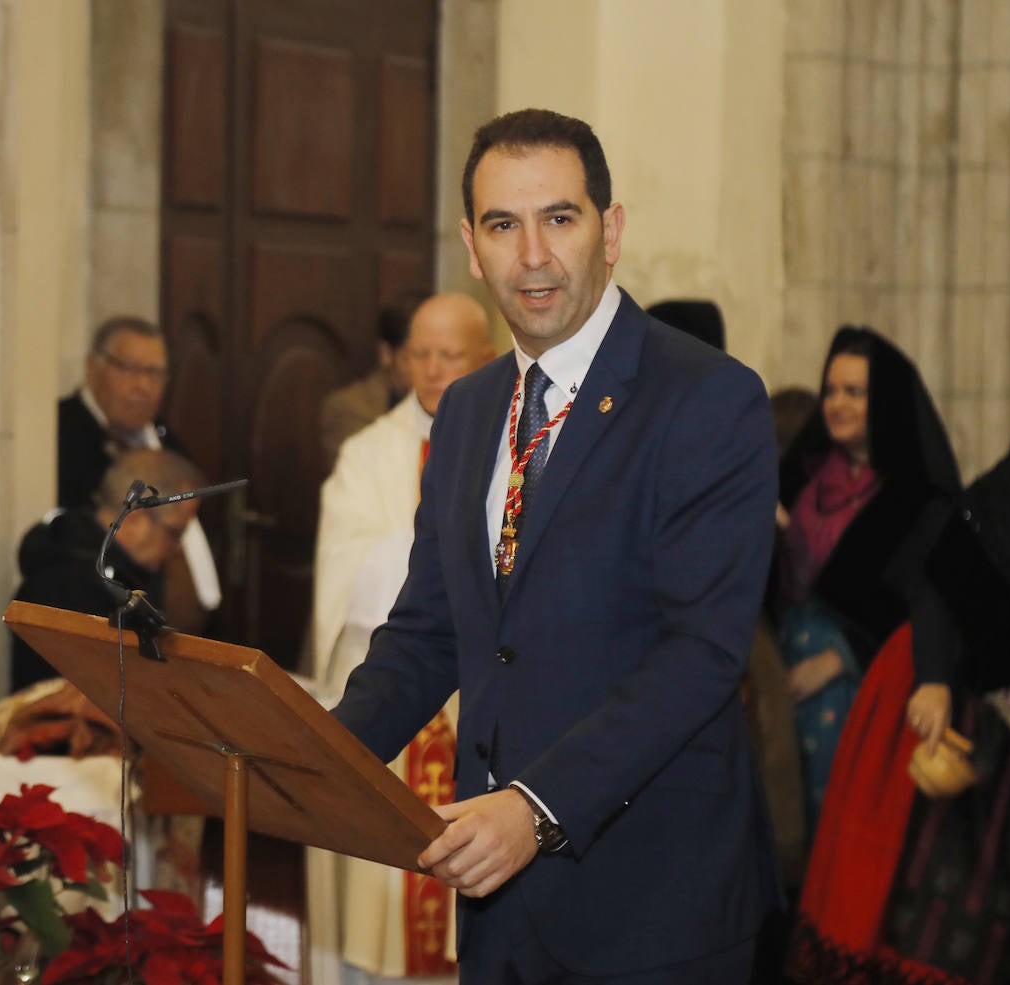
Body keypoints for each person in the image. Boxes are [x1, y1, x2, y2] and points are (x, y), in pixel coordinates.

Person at [330, 108, 779, 982]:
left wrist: (534, 809)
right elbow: (428, 630)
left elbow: (702, 655)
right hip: (500, 905)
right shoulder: (464, 412)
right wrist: (318, 756)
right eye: (504, 224)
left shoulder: (709, 398)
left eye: (559, 218)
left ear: (610, 231)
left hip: (657, 905)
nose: (532, 254)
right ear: (471, 243)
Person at [789, 348, 1010, 983]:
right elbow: (935, 579)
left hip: (1007, 726)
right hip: (938, 700)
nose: (839, 404)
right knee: (919, 900)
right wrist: (937, 679)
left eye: (855, 391)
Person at [311, 292, 492, 985]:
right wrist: (444, 558)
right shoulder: (367, 453)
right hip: (397, 687)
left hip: (472, 698)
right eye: (421, 353)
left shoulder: (512, 442)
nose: (433, 368)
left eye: (450, 354)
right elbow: (342, 570)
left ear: (484, 356)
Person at [770, 327, 960, 838]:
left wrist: (836, 661)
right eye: (831, 390)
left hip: (857, 677)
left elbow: (919, 599)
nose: (836, 404)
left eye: (855, 392)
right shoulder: (803, 474)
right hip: (782, 656)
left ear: (885, 402)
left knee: (835, 817)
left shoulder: (913, 499)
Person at [57, 316, 221, 620]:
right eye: (131, 370)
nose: (144, 387)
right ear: (94, 367)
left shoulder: (165, 439)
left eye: (156, 374)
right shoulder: (60, 434)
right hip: (98, 613)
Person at [9, 448, 202, 693]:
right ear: (135, 521)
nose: (177, 548)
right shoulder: (71, 582)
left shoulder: (121, 569)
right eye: (175, 532)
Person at [320, 297, 423, 472]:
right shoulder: (350, 408)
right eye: (418, 356)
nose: (432, 369)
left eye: (448, 355)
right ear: (386, 354)